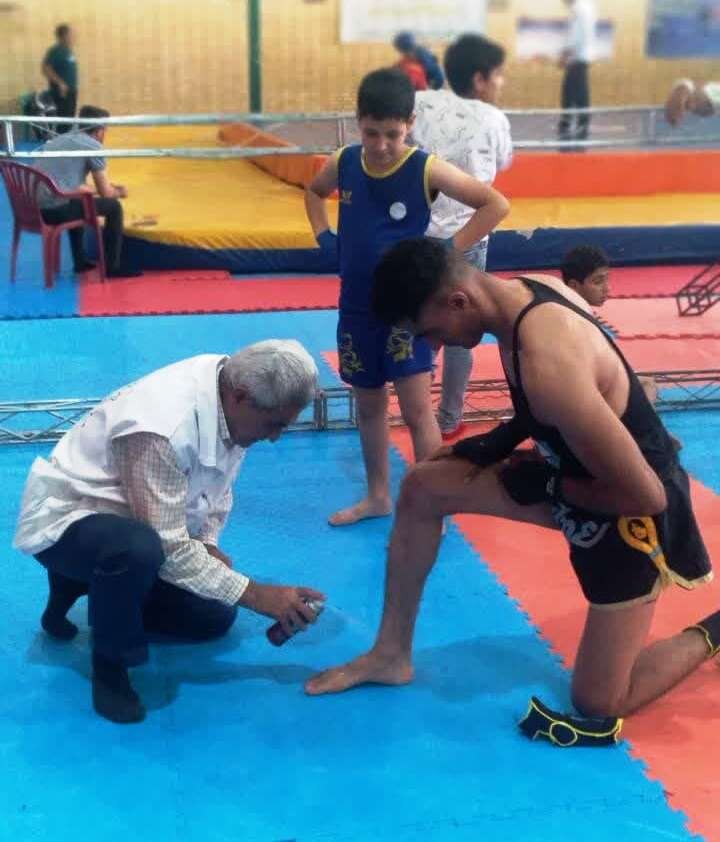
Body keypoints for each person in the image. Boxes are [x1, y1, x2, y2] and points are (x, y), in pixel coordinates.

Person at [305, 238, 717, 724]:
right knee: (422, 486)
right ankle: (391, 654)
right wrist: (495, 443)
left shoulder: (547, 361)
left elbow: (645, 495)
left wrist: (548, 486)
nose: (433, 347)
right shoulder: (524, 294)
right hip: (576, 475)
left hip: (632, 510)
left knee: (600, 702)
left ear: (459, 301)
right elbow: (556, 406)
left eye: (431, 332)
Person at [13, 340, 324, 724]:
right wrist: (258, 594)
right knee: (136, 550)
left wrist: (207, 543)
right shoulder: (163, 427)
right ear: (241, 397)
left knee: (214, 616)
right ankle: (110, 666)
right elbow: (168, 546)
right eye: (274, 425)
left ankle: (81, 585)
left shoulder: (231, 391)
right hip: (68, 520)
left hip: (128, 515)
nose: (276, 437)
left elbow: (216, 485)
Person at [305, 68, 509, 526]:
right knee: (369, 407)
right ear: (358, 123)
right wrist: (323, 235)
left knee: (417, 410)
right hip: (356, 307)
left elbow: (495, 203)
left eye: (392, 134)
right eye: (371, 133)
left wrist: (449, 250)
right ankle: (378, 496)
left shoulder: (425, 167)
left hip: (407, 313)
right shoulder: (344, 162)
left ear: (410, 124)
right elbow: (314, 192)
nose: (381, 145)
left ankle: (433, 502)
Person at [411, 33, 513, 440]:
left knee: (419, 324)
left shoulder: (420, 102)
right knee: (461, 331)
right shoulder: (493, 119)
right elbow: (503, 163)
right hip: (467, 238)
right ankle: (448, 418)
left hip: (417, 239)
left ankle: (416, 410)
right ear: (480, 79)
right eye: (499, 75)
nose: (502, 83)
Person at [33, 105, 140, 277]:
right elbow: (106, 193)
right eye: (105, 129)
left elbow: (68, 184)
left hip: (32, 208)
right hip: (54, 211)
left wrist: (99, 190)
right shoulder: (92, 146)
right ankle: (112, 267)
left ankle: (80, 261)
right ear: (99, 130)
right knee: (113, 207)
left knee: (80, 200)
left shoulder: (60, 140)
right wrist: (120, 192)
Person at [558, 0, 596, 145]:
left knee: (576, 93)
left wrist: (565, 55)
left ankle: (576, 123)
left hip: (578, 58)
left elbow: (577, 36)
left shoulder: (580, 8)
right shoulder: (585, 7)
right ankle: (570, 122)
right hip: (579, 57)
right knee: (572, 91)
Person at [42, 24, 78, 133]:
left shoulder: (67, 50)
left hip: (71, 91)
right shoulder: (56, 50)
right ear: (64, 36)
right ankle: (60, 139)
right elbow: (46, 68)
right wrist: (60, 83)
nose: (74, 37)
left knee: (69, 118)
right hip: (62, 92)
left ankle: (66, 138)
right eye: (71, 34)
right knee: (63, 119)